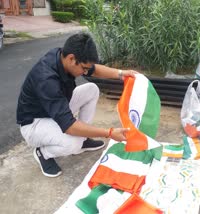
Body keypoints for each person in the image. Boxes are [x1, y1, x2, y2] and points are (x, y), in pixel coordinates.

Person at [16, 33, 137, 178]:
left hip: (52, 110)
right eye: (84, 69)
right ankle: (43, 153)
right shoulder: (46, 79)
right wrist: (109, 133)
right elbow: (69, 127)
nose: (85, 72)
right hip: (34, 124)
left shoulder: (64, 56)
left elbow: (94, 69)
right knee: (73, 143)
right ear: (71, 59)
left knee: (91, 89)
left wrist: (122, 74)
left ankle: (84, 139)